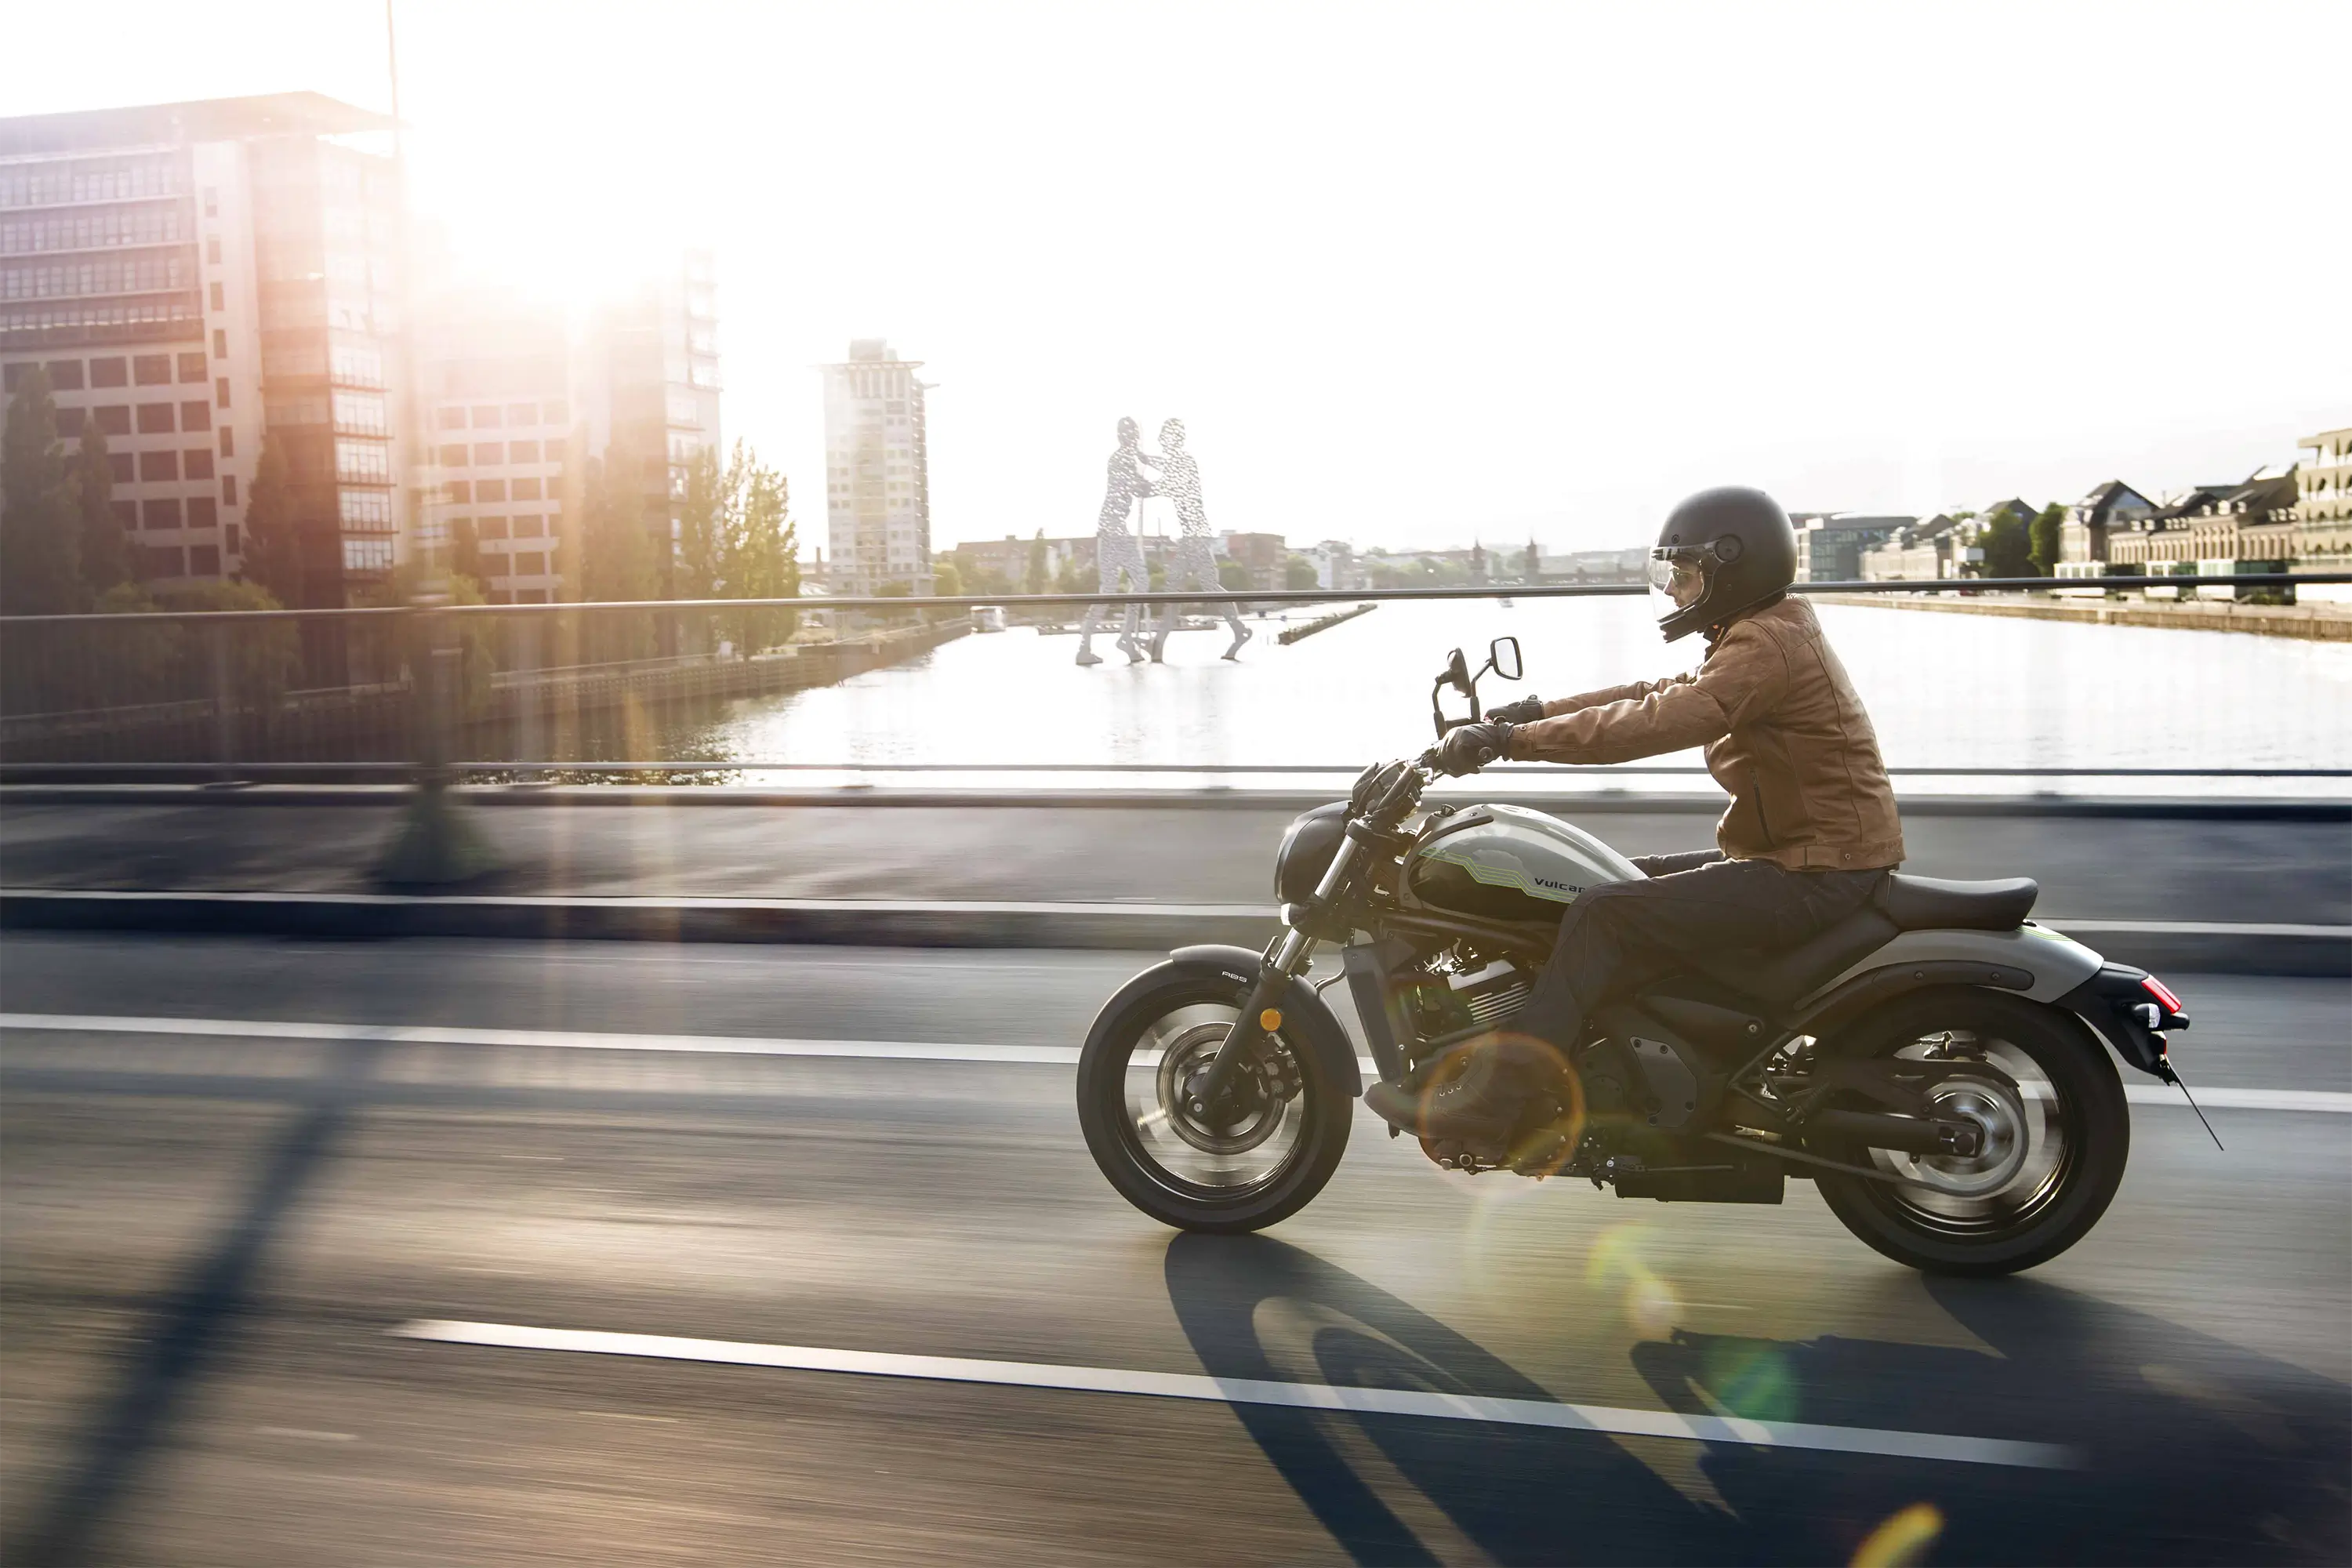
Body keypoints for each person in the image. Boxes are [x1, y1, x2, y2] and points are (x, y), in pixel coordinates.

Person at [1362, 487, 1907, 1151]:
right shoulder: (1764, 631)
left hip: (1814, 872)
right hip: (1804, 859)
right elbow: (1654, 693)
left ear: (1732, 568)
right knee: (1594, 886)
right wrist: (1528, 714)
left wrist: (1511, 745)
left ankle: (1502, 1099)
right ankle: (1625, 1060)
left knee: (1603, 913)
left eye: (1687, 574)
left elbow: (1655, 723)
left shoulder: (1766, 645)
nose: (1677, 590)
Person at [1144, 419, 1251, 662]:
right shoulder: (1176, 461)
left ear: (1174, 439)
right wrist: (1146, 459)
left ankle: (1158, 645)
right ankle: (1239, 630)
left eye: (1165, 438)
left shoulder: (1184, 461)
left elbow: (1173, 485)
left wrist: (1148, 488)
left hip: (1194, 535)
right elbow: (1165, 468)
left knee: (1175, 588)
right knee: (1209, 586)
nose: (1162, 442)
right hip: (1194, 535)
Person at [1076, 418, 1155, 666]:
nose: (1133, 440)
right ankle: (1123, 638)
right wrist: (1146, 479)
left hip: (1112, 530)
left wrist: (1143, 466)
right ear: (1125, 437)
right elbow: (1135, 487)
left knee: (1110, 590)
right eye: (1131, 436)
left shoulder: (1124, 458)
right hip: (1115, 531)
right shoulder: (1121, 459)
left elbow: (1136, 486)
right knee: (1139, 581)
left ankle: (1090, 645)